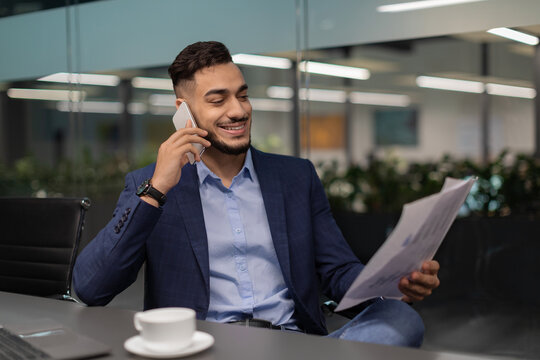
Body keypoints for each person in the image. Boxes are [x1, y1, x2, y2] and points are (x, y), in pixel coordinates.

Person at [73, 41, 440, 347]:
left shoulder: (295, 177)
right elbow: (91, 289)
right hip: (203, 348)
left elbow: (338, 271)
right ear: (183, 112)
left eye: (243, 95)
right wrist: (156, 189)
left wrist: (393, 285)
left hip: (295, 345)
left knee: (399, 318)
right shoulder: (153, 185)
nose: (239, 110)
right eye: (218, 100)